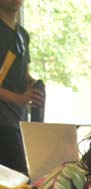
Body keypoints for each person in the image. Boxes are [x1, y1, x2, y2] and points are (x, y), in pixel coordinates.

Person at [0, 0, 44, 174]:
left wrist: (33, 84)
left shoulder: (22, 35)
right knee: (18, 179)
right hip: (3, 121)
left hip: (18, 119)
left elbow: (23, 73)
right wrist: (20, 98)